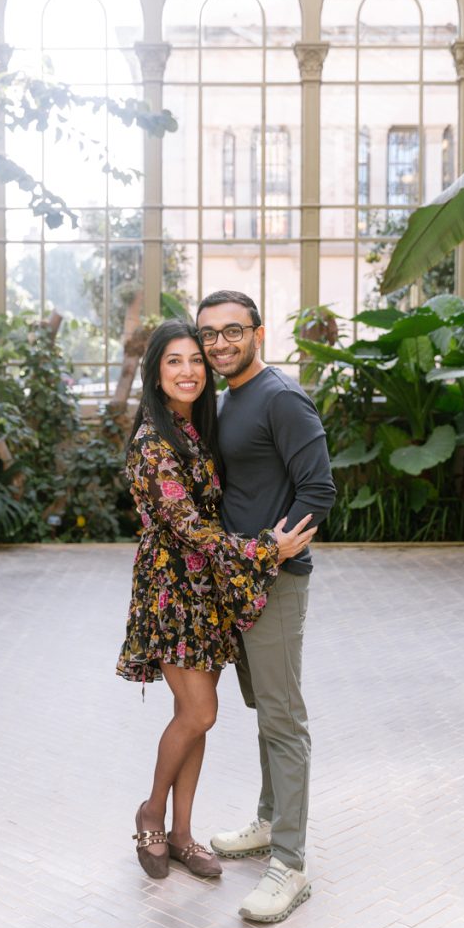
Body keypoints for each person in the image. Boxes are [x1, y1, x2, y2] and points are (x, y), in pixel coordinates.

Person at [115, 319, 317, 882]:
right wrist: (266, 550)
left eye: (195, 361)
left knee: (194, 718)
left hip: (209, 592)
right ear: (156, 372)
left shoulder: (198, 428)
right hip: (173, 592)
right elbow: (190, 528)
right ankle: (152, 813)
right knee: (200, 712)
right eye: (174, 361)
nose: (188, 371)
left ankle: (182, 833)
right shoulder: (154, 442)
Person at [195, 291, 336, 923]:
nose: (219, 343)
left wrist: (272, 553)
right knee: (266, 712)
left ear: (257, 332)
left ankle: (290, 863)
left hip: (273, 580)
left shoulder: (280, 397)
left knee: (283, 718)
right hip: (238, 580)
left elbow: (318, 488)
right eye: (209, 334)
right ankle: (269, 820)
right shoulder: (227, 399)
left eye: (233, 331)